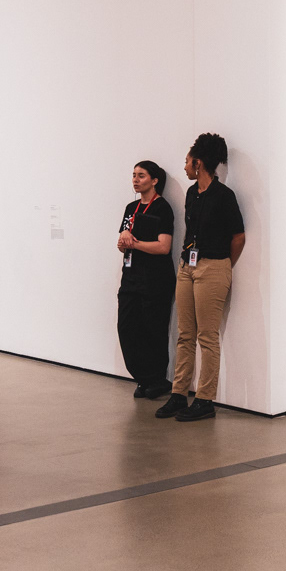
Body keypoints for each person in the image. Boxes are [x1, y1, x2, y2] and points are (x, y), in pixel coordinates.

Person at [156, 133, 244, 422]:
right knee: (185, 334)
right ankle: (179, 393)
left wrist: (223, 266)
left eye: (187, 162)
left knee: (207, 337)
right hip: (187, 267)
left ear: (199, 163)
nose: (184, 167)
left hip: (213, 268)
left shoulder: (224, 196)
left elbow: (238, 237)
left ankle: (205, 399)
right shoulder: (192, 193)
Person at [116, 160, 175, 399]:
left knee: (153, 330)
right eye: (134, 175)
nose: (135, 179)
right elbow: (122, 244)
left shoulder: (162, 208)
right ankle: (142, 377)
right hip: (131, 278)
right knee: (127, 328)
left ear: (155, 180)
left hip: (155, 280)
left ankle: (156, 380)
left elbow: (163, 247)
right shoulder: (131, 208)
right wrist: (124, 240)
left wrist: (135, 244)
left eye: (141, 175)